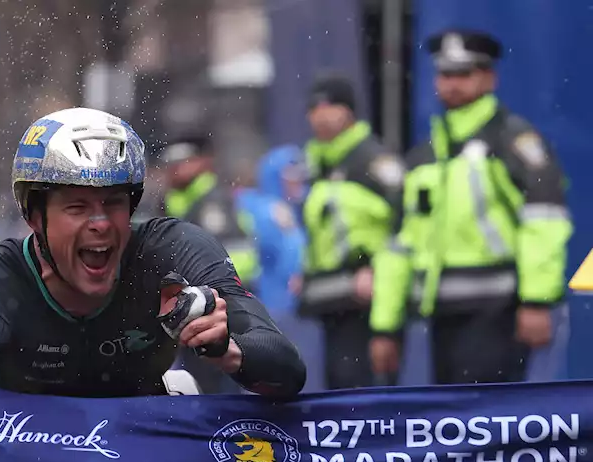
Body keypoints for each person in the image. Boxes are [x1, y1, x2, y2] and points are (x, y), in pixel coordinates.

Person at [0, 107, 306, 462]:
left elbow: (288, 371)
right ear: (34, 216)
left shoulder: (176, 250)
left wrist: (229, 350)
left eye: (113, 203)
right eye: (76, 206)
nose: (99, 224)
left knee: (190, 403)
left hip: (139, 437)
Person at [370, 29, 571, 386]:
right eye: (446, 74)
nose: (453, 83)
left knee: (491, 426)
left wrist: (537, 301)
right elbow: (399, 246)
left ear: (489, 77)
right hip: (441, 317)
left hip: (499, 313)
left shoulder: (512, 141)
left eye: (465, 73)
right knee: (453, 427)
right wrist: (386, 326)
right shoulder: (425, 156)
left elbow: (545, 223)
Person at [300, 72, 406, 388]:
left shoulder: (373, 161)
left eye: (329, 106)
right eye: (313, 109)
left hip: (371, 301)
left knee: (368, 399)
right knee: (341, 394)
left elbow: (403, 232)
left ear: (348, 111)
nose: (319, 116)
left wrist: (377, 275)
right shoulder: (319, 165)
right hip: (335, 300)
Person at [158, 132, 262, 394]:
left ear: (203, 162)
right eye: (170, 162)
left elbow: (242, 261)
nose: (176, 168)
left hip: (218, 312)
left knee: (218, 397)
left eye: (184, 160)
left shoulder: (214, 203)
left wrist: (201, 293)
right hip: (181, 316)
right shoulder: (170, 204)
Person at [235, 145, 308, 317]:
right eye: (291, 174)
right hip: (270, 302)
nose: (299, 180)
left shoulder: (293, 207)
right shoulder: (266, 209)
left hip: (290, 303)